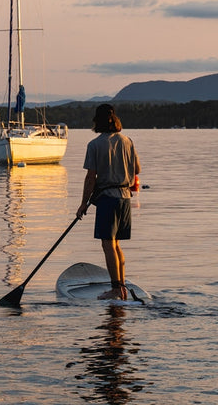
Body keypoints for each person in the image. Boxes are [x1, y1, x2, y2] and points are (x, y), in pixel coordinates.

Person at [75, 104, 141, 300]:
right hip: (125, 199)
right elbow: (136, 169)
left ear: (97, 121)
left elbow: (90, 178)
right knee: (116, 244)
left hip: (107, 200)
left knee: (108, 244)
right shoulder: (128, 141)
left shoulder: (94, 145)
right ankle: (120, 287)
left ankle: (116, 289)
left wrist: (83, 204)